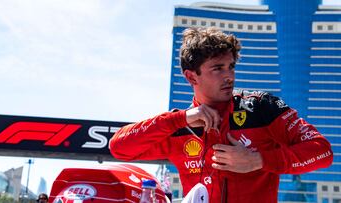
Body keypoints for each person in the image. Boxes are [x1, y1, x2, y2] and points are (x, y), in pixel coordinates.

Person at [109, 27, 333, 203]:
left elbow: (322, 151)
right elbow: (119, 147)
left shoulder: (262, 107)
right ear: (191, 77)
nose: (229, 76)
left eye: (231, 66)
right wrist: (179, 118)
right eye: (218, 68)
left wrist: (258, 160)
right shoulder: (177, 125)